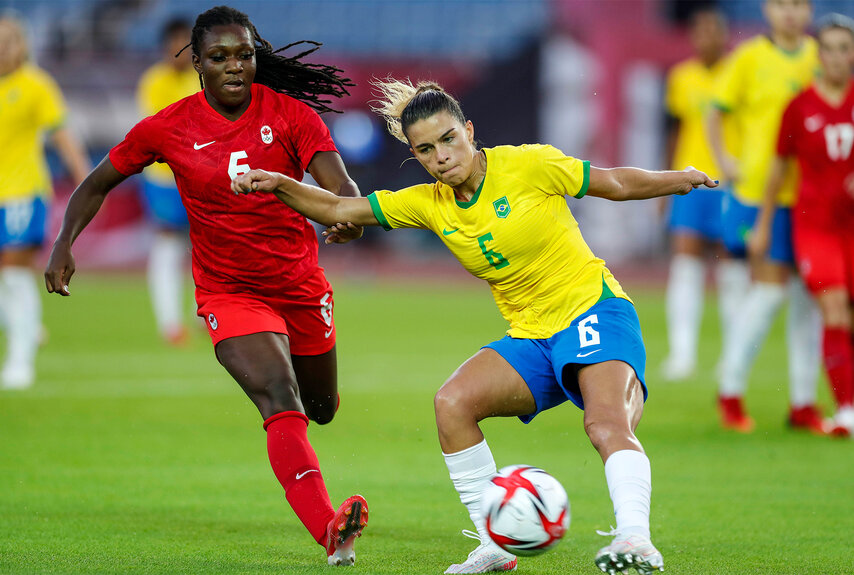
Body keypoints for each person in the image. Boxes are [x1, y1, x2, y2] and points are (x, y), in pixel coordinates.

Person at [232, 78, 717, 575]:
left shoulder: (528, 164)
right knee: (453, 404)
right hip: (532, 335)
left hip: (592, 308)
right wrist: (279, 183)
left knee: (604, 423)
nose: (440, 156)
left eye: (447, 140)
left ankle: (636, 539)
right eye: (425, 149)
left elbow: (612, 183)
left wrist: (678, 178)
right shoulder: (429, 202)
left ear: (468, 130)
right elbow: (338, 207)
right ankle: (496, 543)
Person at [44, 6, 367, 566]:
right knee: (278, 394)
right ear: (196, 63)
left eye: (244, 55)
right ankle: (329, 530)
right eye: (219, 57)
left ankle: (318, 400)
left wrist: (343, 215)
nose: (235, 66)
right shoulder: (167, 127)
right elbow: (98, 181)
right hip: (229, 292)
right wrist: (64, 242)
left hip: (300, 285)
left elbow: (339, 184)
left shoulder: (290, 115)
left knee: (321, 408)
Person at [706, 0, 824, 433]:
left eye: (798, 4)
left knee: (808, 299)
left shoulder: (820, 56)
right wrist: (724, 159)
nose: (790, 13)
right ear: (767, 10)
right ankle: (730, 387)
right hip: (759, 193)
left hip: (813, 194)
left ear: (808, 10)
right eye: (781, 4)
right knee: (770, 291)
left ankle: (803, 402)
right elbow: (714, 112)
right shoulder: (749, 58)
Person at [749, 14, 854, 437]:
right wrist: (762, 223)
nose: (835, 57)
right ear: (818, 54)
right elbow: (778, 169)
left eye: (843, 48)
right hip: (815, 227)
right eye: (826, 48)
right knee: (834, 310)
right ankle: (846, 410)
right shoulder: (800, 107)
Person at [0, 12, 90, 389]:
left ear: (21, 46)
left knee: (15, 276)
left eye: (6, 43)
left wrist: (85, 181)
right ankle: (25, 327)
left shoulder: (35, 85)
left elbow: (62, 134)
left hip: (21, 191)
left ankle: (19, 364)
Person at [660, 5, 744, 381]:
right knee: (686, 262)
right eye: (701, 31)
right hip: (689, 181)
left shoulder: (740, 73)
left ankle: (732, 356)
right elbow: (674, 132)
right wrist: (663, 185)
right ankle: (682, 354)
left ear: (725, 34)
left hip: (731, 182)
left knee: (731, 266)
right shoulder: (681, 77)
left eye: (715, 30)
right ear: (693, 36)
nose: (708, 37)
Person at [135, 18, 202, 345]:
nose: (180, 52)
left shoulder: (202, 80)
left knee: (206, 244)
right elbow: (160, 131)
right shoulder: (154, 82)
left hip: (202, 176)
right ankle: (170, 323)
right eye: (174, 44)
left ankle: (203, 313)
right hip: (164, 177)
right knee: (168, 243)